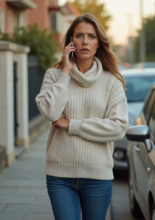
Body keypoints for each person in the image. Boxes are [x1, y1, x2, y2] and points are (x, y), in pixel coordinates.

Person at [35, 14, 128, 220]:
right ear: (71, 41)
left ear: (98, 43)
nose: (85, 41)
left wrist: (72, 125)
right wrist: (65, 73)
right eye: (79, 35)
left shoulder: (111, 81)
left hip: (97, 175)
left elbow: (118, 127)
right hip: (60, 175)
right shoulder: (54, 75)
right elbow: (50, 112)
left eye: (91, 36)